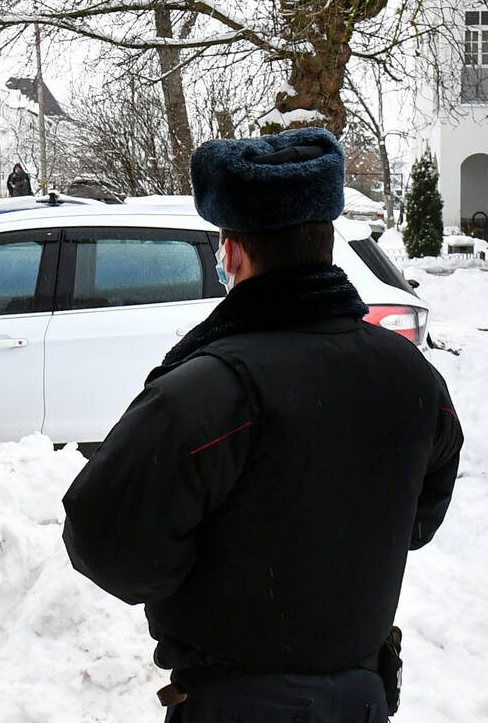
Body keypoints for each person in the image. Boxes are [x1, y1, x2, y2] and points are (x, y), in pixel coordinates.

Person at [62, 128, 463, 722]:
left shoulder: (208, 391)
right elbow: (421, 512)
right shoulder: (410, 375)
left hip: (239, 702)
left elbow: (105, 537)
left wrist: (206, 575)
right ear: (324, 242)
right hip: (362, 697)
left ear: (233, 253)